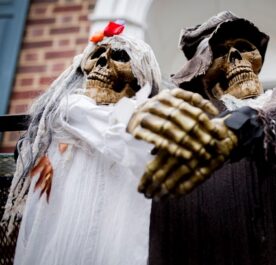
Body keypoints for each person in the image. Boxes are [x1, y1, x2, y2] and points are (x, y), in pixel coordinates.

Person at [127, 11, 276, 265]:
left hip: (268, 235)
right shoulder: (184, 113)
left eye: (245, 48)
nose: (237, 59)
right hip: (201, 235)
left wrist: (237, 128)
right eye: (221, 52)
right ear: (201, 68)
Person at [2, 21, 161, 265]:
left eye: (118, 57)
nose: (101, 65)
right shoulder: (68, 111)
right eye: (96, 57)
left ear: (141, 75)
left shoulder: (136, 122)